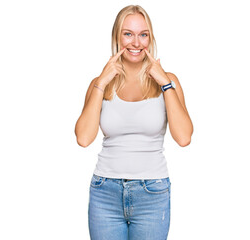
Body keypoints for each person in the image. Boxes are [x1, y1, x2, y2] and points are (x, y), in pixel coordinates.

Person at [75, 5, 193, 240]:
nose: (136, 43)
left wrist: (165, 84)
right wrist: (101, 82)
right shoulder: (100, 83)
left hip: (152, 193)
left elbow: (183, 138)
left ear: (150, 38)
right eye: (128, 34)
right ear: (117, 38)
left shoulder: (168, 82)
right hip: (104, 193)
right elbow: (83, 138)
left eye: (143, 34)